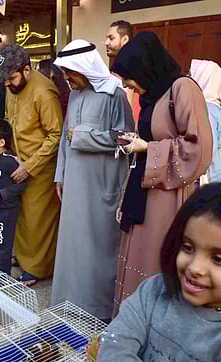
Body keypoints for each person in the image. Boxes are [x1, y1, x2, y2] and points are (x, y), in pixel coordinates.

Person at [111, 32, 213, 315]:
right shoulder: (153, 93)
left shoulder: (183, 89)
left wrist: (149, 148)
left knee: (153, 257)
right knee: (136, 253)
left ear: (143, 66)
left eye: (128, 77)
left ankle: (150, 323)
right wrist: (139, 144)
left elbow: (199, 150)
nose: (127, 86)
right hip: (143, 187)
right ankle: (130, 321)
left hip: (168, 194)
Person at [50, 40, 135, 321]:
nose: (67, 79)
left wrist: (86, 137)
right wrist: (60, 175)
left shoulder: (115, 94)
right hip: (73, 185)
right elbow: (65, 136)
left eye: (69, 73)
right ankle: (68, 302)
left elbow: (126, 139)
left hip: (101, 187)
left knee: (97, 251)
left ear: (84, 68)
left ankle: (97, 310)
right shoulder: (74, 94)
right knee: (72, 249)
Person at [98, 183, 221, 361]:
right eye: (188, 247)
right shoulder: (154, 291)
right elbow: (116, 342)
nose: (195, 268)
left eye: (217, 259)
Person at [0, 44, 62, 286]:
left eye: (11, 78)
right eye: (5, 80)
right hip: (16, 163)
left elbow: (55, 135)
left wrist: (29, 166)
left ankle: (37, 268)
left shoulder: (44, 92)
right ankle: (24, 258)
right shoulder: (12, 88)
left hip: (39, 168)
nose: (8, 84)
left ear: (27, 70)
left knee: (37, 220)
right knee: (20, 216)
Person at [0, 119, 27, 275]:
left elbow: (22, 184)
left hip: (6, 211)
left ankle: (3, 277)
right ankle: (2, 273)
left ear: (1, 142)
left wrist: (0, 194)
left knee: (3, 245)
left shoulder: (10, 161)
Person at [190, 59, 221, 183]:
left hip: (211, 178)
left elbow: (206, 148)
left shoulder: (208, 109)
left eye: (191, 75)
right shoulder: (215, 107)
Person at [105, 20, 140, 122]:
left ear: (124, 39)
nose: (106, 43)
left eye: (111, 38)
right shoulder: (112, 70)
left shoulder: (136, 69)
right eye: (106, 38)